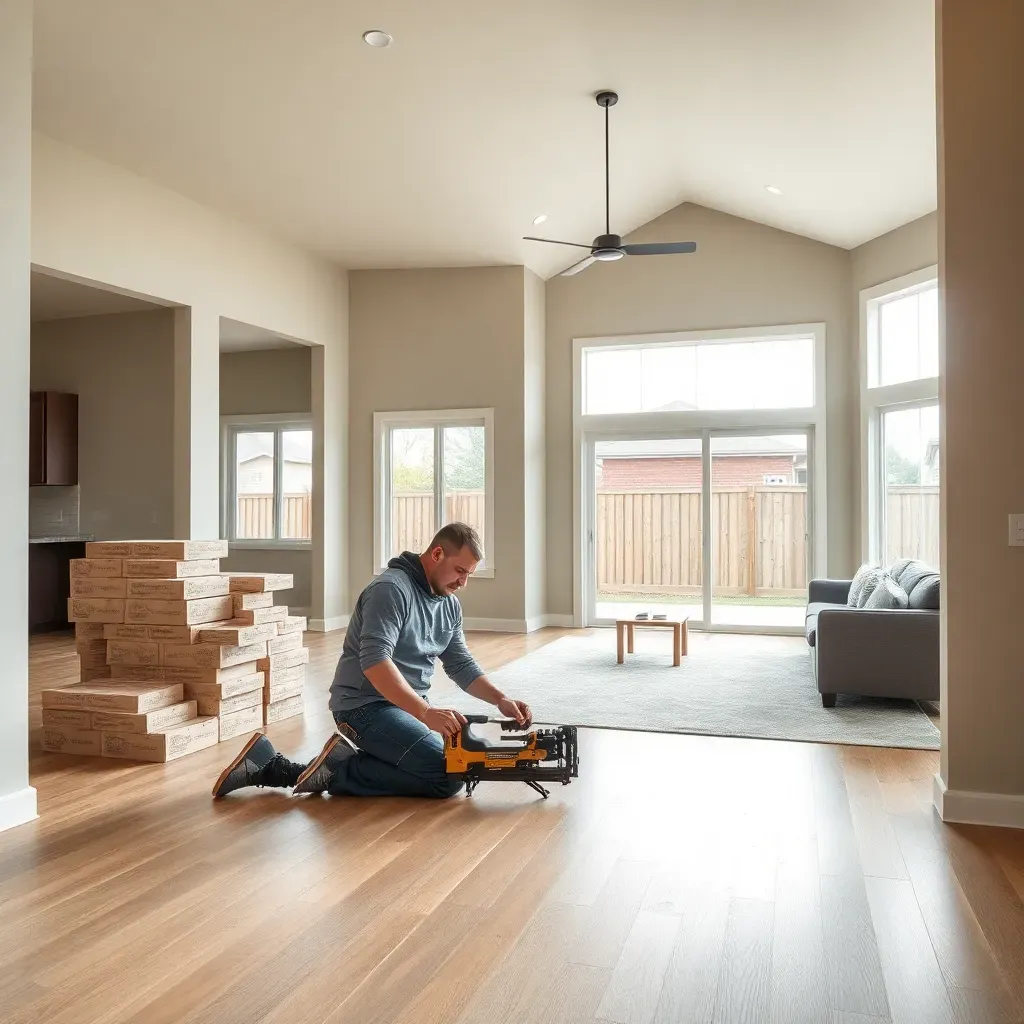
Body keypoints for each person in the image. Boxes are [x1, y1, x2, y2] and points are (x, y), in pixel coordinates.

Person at [212, 522, 532, 800]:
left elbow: (460, 664)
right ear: (436, 554)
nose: (463, 582)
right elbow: (375, 662)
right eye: (460, 571)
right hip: (363, 707)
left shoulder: (449, 604)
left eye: (469, 575)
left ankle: (276, 765)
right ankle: (299, 769)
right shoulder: (391, 589)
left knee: (450, 764)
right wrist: (425, 712)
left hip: (405, 708)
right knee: (446, 775)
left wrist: (500, 699)